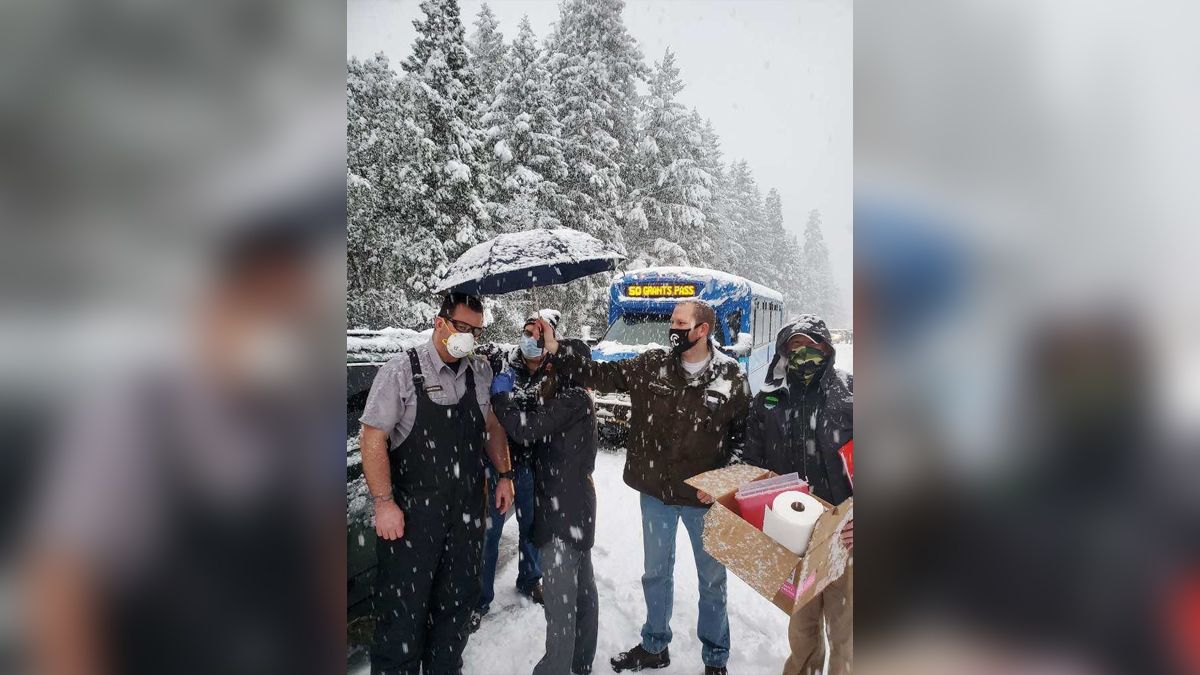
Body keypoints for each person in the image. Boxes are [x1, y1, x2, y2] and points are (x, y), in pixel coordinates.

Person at [532, 299, 749, 675]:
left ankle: (715, 659)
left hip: (705, 501)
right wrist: (555, 348)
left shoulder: (730, 375)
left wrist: (722, 483)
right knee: (656, 574)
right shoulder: (652, 365)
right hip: (658, 496)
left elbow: (745, 438)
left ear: (702, 330)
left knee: (712, 581)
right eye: (672, 321)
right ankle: (654, 645)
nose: (672, 328)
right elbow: (598, 374)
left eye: (681, 322)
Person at [358, 292, 516, 675]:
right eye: (462, 327)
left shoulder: (479, 372)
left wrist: (505, 475)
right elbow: (372, 437)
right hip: (413, 519)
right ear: (439, 322)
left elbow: (491, 426)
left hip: (464, 514)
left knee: (457, 605)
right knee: (403, 616)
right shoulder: (401, 371)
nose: (469, 337)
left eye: (476, 330)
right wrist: (384, 502)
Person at [743, 314, 854, 675]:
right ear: (783, 354)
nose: (803, 353)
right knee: (802, 629)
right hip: (793, 534)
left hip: (847, 534)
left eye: (811, 346)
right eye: (794, 347)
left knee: (847, 633)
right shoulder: (769, 402)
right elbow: (751, 465)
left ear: (827, 349)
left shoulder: (854, 396)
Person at [492, 326, 600, 675]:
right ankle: (581, 662)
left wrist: (501, 399)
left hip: (562, 514)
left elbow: (525, 428)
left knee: (560, 603)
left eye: (555, 359)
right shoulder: (568, 396)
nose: (549, 364)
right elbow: (536, 414)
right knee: (582, 592)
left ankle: (555, 668)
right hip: (574, 510)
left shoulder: (572, 400)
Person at [468, 313, 557, 633]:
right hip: (499, 466)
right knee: (489, 534)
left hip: (534, 468)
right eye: (526, 331)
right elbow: (494, 409)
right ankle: (479, 599)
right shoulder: (504, 365)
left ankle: (530, 579)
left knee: (532, 528)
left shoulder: (555, 373)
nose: (531, 338)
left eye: (539, 333)